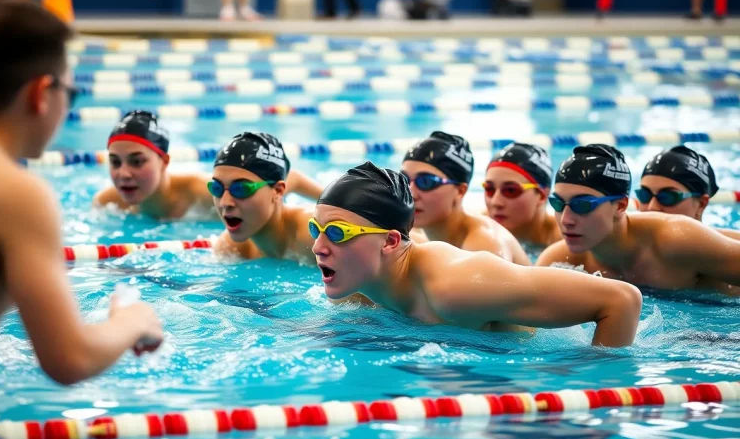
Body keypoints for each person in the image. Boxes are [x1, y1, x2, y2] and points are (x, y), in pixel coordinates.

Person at [0, 0, 163, 439]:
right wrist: (132, 320)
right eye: (70, 93)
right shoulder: (13, 191)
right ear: (41, 93)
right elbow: (68, 358)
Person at [311, 162, 643, 347]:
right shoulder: (355, 285)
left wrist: (597, 388)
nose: (318, 246)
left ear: (391, 241)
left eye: (338, 234)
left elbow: (621, 300)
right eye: (316, 229)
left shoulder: (456, 285)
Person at [536, 144, 740, 294]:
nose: (566, 220)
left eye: (583, 205)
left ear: (621, 206)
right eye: (558, 204)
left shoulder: (676, 239)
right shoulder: (559, 260)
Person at [93, 113, 322, 220]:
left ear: (164, 162)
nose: (123, 173)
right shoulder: (107, 203)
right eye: (114, 162)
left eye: (136, 161)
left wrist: (335, 203)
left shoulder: (206, 192)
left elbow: (293, 178)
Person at [401, 132, 531, 265]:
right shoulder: (408, 232)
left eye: (426, 182)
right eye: (403, 180)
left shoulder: (485, 247)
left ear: (460, 191)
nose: (411, 193)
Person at [211, 132, 317, 262]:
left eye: (241, 189)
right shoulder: (230, 249)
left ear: (278, 190)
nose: (224, 202)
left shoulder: (316, 235)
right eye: (217, 188)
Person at [634, 146, 740, 241]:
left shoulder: (723, 254)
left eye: (668, 197)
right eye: (644, 195)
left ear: (701, 204)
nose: (652, 207)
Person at [483, 142, 561, 247]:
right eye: (489, 189)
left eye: (510, 191)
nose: (495, 202)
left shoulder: (564, 241)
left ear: (542, 195)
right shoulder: (478, 227)